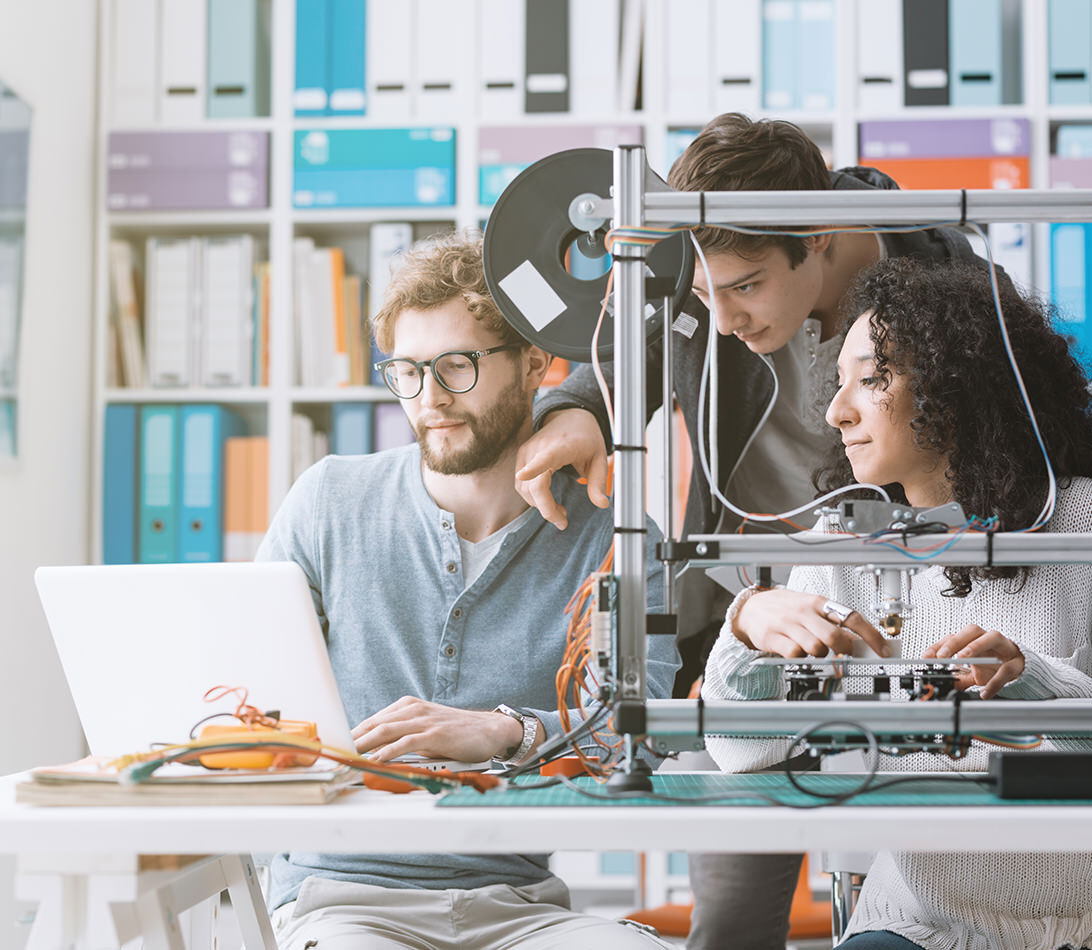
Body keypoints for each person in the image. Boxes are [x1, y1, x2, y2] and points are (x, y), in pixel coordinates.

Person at [517, 113, 986, 950]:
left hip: (917, 627)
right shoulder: (707, 286)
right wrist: (578, 411)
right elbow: (631, 343)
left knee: (931, 905)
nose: (726, 318)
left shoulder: (949, 284)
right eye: (706, 294)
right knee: (732, 919)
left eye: (745, 286)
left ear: (818, 237)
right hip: (760, 625)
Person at [256, 231, 679, 950]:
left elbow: (642, 731)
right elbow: (249, 692)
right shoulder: (328, 501)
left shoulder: (616, 536)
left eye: (457, 366)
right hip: (342, 899)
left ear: (534, 363)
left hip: (518, 906)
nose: (430, 399)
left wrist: (509, 731)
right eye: (408, 371)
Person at [703, 256, 1092, 950]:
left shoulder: (1079, 526)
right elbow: (742, 748)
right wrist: (747, 628)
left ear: (954, 385)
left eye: (873, 379)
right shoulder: (849, 544)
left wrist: (1031, 682)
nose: (836, 411)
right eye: (839, 381)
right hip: (921, 924)